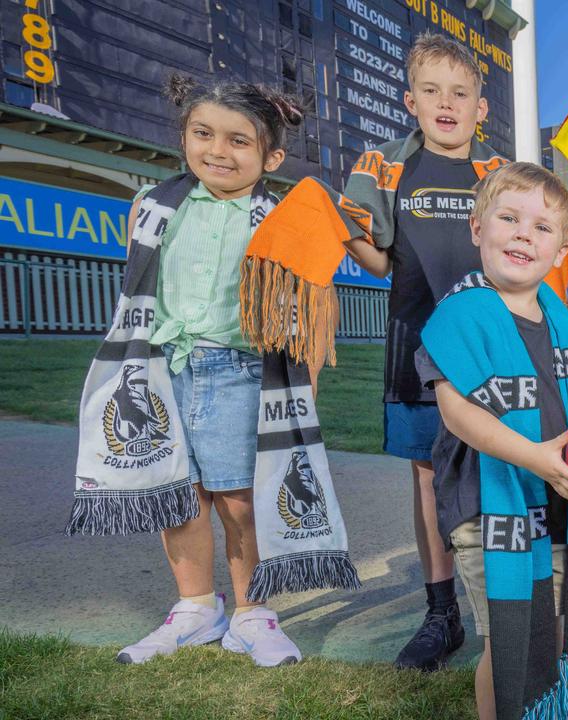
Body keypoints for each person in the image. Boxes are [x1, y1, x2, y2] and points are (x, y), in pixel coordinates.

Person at [114, 75, 305, 666]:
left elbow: (298, 311)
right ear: (184, 136)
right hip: (165, 370)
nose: (218, 151)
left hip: (241, 370)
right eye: (203, 134)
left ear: (270, 156)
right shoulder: (152, 206)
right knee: (180, 496)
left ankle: (252, 612)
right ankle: (197, 608)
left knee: (240, 499)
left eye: (238, 141)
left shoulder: (279, 218)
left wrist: (301, 397)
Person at [420, 162, 568, 720]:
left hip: (558, 506)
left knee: (549, 631)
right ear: (478, 228)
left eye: (542, 227)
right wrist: (537, 458)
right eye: (509, 218)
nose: (524, 233)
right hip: (489, 507)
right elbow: (459, 415)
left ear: (561, 250)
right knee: (508, 641)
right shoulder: (460, 315)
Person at [340, 32, 506, 671]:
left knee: (499, 469)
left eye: (460, 93)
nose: (447, 103)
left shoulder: (497, 173)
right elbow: (379, 260)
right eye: (432, 90)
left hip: (490, 349)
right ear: (410, 100)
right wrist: (344, 230)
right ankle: (443, 614)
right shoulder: (384, 165)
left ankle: (505, 602)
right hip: (416, 343)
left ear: (480, 108)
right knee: (430, 477)